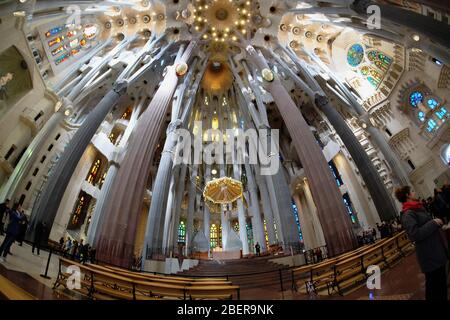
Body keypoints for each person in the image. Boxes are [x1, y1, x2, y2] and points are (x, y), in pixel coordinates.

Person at [394, 186, 449, 300]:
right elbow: (414, 235)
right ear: (408, 195)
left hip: (435, 251)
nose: (415, 192)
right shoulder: (407, 214)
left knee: (441, 286)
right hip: (429, 255)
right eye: (412, 191)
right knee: (434, 289)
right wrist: (433, 223)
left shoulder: (417, 208)